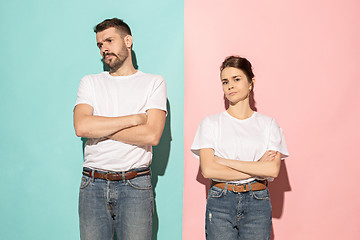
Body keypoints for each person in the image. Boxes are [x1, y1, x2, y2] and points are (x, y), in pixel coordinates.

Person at [73, 18, 167, 240]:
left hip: (135, 185)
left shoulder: (153, 82)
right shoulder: (90, 82)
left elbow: (152, 135)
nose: (104, 48)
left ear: (128, 41)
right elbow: (82, 126)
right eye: (99, 44)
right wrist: (133, 119)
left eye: (109, 40)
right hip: (92, 184)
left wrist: (100, 126)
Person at [191, 56, 289, 240]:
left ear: (251, 83)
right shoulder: (210, 123)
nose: (230, 86)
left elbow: (272, 170)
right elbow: (209, 169)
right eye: (225, 81)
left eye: (237, 79)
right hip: (220, 201)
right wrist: (257, 166)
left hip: (257, 201)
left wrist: (223, 161)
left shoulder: (268, 125)